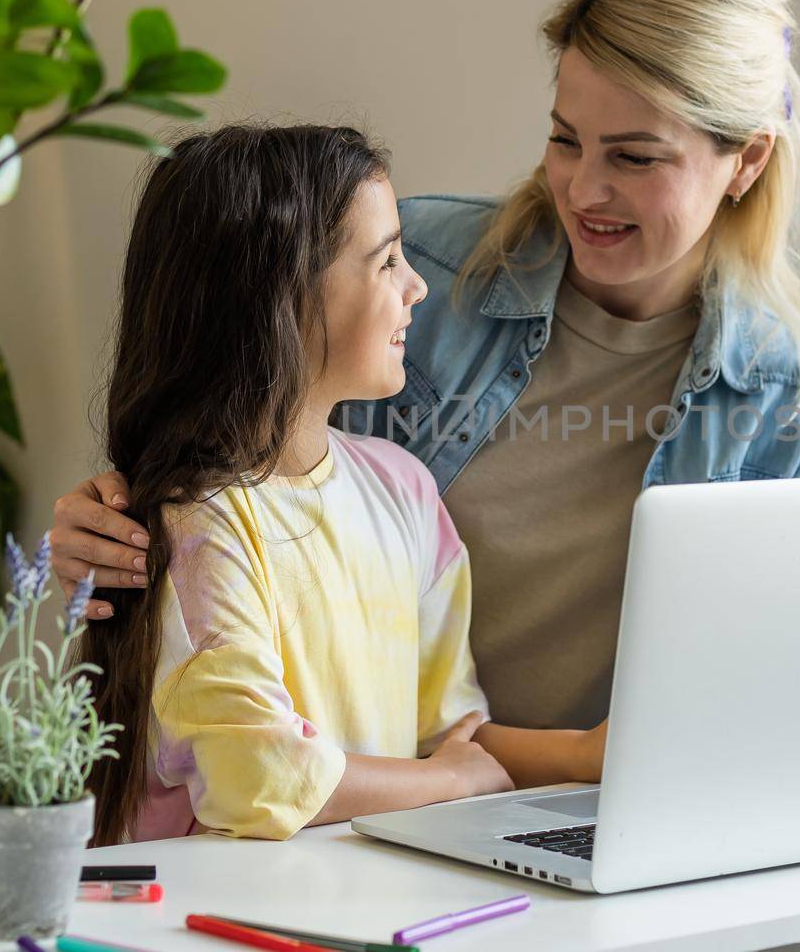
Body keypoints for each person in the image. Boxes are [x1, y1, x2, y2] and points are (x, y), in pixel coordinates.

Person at [55, 0, 800, 793]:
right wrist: (116, 521)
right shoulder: (419, 269)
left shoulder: (783, 398)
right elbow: (239, 468)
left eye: (636, 156)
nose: (583, 187)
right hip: (354, 803)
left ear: (746, 161)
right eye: (565, 138)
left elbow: (771, 676)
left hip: (563, 813)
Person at [82, 124, 605, 847]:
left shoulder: (406, 491)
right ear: (282, 300)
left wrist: (587, 754)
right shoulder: (201, 526)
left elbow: (447, 733)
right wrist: (454, 782)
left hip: (364, 897)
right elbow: (258, 777)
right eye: (387, 260)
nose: (417, 286)